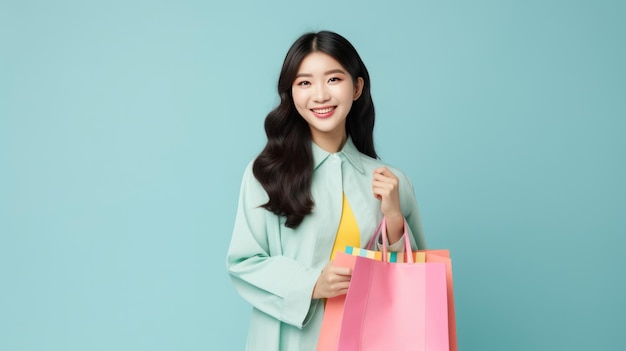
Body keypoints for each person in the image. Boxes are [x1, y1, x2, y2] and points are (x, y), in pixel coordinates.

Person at [226, 30, 426, 350]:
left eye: (333, 79)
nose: (320, 95)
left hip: (367, 338)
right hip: (290, 340)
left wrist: (393, 218)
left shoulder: (390, 181)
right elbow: (244, 262)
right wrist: (312, 283)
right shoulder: (265, 173)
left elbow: (411, 286)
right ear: (291, 94)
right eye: (304, 83)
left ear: (357, 87)